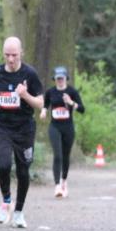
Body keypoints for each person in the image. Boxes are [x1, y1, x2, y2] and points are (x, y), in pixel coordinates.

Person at [0, 37, 43, 229]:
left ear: (21, 53)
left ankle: (19, 213)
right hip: (2, 127)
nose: (11, 59)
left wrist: (25, 95)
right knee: (4, 164)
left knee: (23, 171)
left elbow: (40, 103)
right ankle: (6, 201)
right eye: (7, 55)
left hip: (24, 129)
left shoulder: (30, 74)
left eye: (14, 55)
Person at [39, 66, 85, 198]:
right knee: (57, 155)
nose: (60, 80)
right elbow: (45, 104)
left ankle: (64, 181)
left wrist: (71, 102)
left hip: (68, 128)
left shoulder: (72, 91)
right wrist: (43, 111)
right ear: (54, 79)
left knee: (65, 156)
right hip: (55, 126)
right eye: (57, 78)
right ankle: (57, 186)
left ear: (66, 78)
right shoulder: (50, 92)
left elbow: (82, 109)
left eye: (62, 78)